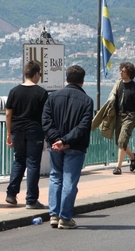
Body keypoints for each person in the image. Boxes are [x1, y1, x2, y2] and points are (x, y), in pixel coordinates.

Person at [42, 65, 93, 229]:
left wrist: (56, 139)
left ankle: (54, 214)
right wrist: (65, 140)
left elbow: (46, 120)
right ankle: (65, 217)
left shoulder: (53, 97)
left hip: (54, 145)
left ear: (67, 78)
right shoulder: (87, 101)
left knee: (55, 177)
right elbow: (83, 126)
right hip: (74, 146)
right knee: (70, 181)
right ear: (82, 80)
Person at [5, 60, 48, 209]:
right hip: (35, 131)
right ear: (36, 74)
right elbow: (45, 115)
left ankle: (11, 194)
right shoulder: (41, 93)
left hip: (17, 130)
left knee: (18, 160)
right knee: (33, 164)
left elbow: (8, 113)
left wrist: (9, 132)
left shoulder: (14, 91)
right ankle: (31, 199)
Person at [112, 62, 135, 174]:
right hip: (119, 116)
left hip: (130, 116)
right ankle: (133, 157)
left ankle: (118, 167)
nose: (120, 73)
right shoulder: (118, 85)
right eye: (120, 70)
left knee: (122, 141)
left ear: (129, 73)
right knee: (120, 142)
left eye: (123, 71)